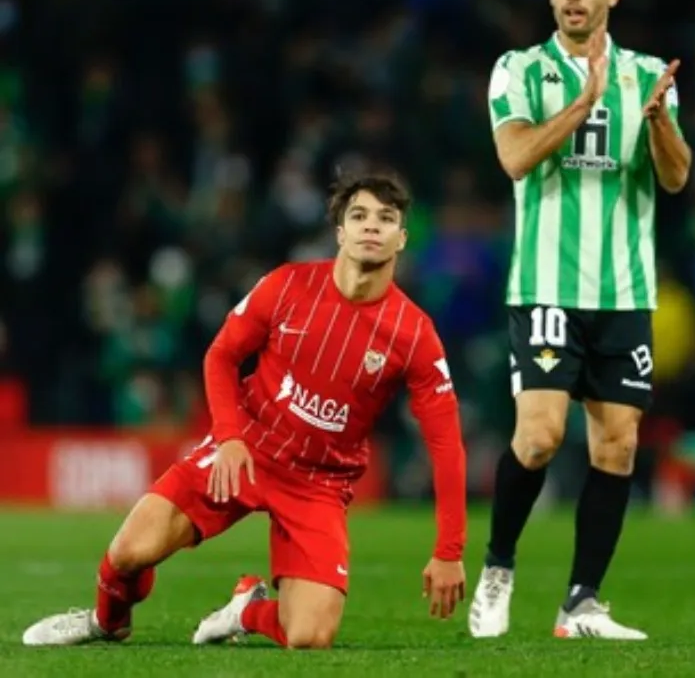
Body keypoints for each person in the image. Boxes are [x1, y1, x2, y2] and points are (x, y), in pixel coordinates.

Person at [23, 166, 468, 649]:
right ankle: (106, 622)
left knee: (311, 635)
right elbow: (221, 355)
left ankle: (246, 610)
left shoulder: (414, 333)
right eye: (359, 215)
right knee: (130, 551)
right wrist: (230, 435)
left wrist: (448, 550)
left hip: (318, 482)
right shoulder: (287, 286)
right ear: (340, 232)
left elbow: (445, 442)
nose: (371, 226)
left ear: (401, 238)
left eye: (385, 218)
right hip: (249, 445)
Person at [468, 0, 691, 641]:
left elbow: (677, 176)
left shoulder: (650, 74)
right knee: (538, 437)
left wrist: (658, 123)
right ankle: (498, 567)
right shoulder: (521, 70)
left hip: (624, 290)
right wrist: (583, 103)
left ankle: (581, 602)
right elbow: (513, 158)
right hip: (544, 284)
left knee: (617, 447)